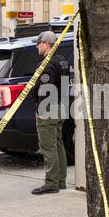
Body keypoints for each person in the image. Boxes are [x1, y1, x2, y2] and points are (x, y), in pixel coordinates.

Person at [31, 31, 70, 195]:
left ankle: (51, 183)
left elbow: (46, 89)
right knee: (58, 143)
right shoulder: (62, 61)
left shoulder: (47, 64)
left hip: (48, 107)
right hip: (61, 104)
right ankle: (60, 180)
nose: (37, 46)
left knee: (48, 147)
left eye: (38, 44)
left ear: (46, 44)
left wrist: (41, 109)